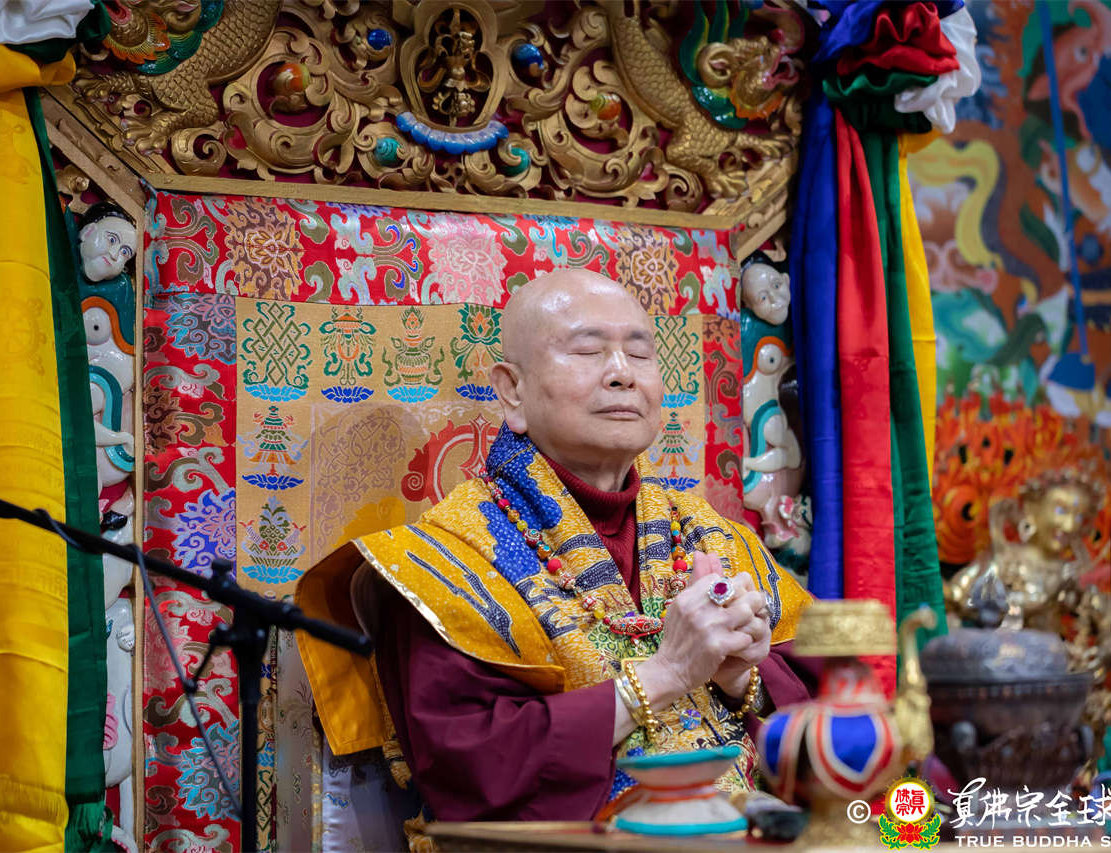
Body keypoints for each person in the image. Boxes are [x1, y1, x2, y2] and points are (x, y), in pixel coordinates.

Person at [297, 269, 814, 824]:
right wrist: (665, 675)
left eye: (640, 354)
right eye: (588, 351)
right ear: (512, 391)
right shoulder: (449, 562)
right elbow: (468, 771)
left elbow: (825, 710)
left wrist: (742, 680)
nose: (622, 374)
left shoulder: (711, 535)